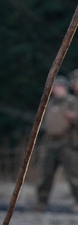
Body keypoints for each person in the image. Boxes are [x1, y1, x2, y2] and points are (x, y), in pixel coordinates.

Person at [32, 76, 78, 212]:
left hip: (67, 143)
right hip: (50, 142)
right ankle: (41, 202)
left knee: (74, 176)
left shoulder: (72, 102)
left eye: (58, 87)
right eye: (54, 87)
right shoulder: (50, 103)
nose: (56, 90)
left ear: (64, 88)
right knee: (45, 174)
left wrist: (74, 118)